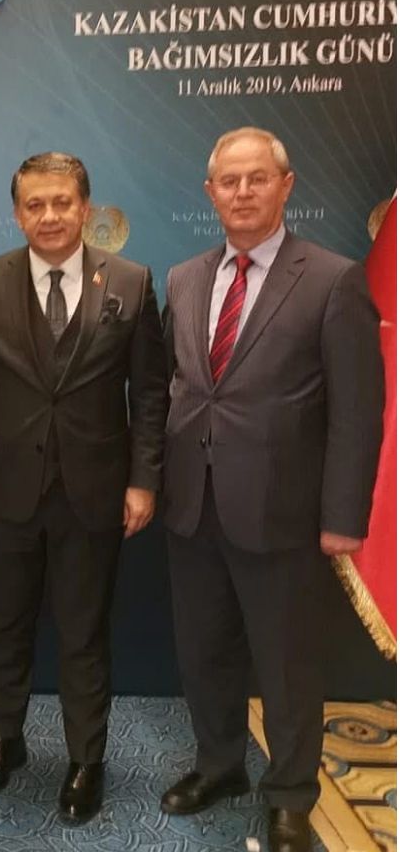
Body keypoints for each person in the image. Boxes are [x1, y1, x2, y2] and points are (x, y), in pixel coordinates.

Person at [159, 127, 384, 852]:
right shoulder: (184, 278)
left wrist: (344, 516)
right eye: (229, 181)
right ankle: (219, 765)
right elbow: (177, 386)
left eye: (258, 178)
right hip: (193, 505)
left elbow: (358, 410)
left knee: (288, 666)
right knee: (205, 654)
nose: (243, 192)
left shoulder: (332, 279)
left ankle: (290, 794)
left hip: (284, 514)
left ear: (287, 186)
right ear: (210, 193)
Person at [0, 153, 167, 821]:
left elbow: (151, 392)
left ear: (86, 209)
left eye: (61, 202)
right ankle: (4, 740)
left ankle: (86, 760)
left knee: (83, 632)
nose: (48, 216)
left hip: (95, 490)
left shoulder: (131, 283)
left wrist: (143, 480)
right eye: (34, 205)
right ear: (17, 213)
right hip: (8, 487)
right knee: (6, 625)